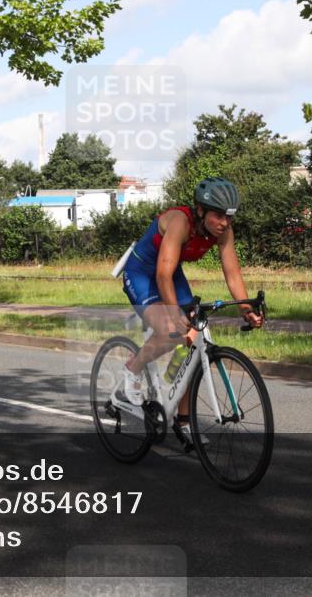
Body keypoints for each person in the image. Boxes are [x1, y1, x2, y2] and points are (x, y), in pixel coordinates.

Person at [117, 178, 263, 440]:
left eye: (229, 216)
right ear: (200, 210)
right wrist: (174, 314)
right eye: (219, 215)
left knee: (194, 339)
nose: (225, 222)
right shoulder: (180, 222)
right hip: (142, 272)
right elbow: (162, 275)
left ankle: (183, 420)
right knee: (170, 330)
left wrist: (245, 308)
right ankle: (132, 368)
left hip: (171, 272)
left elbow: (232, 273)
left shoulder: (224, 231)